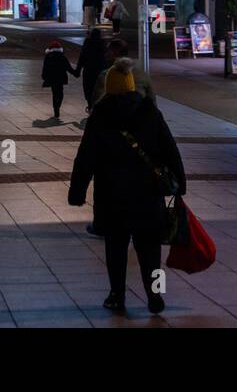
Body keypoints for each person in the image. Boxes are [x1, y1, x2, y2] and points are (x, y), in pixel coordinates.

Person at [68, 57, 186, 315]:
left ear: (109, 87)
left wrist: (77, 192)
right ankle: (154, 296)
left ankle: (117, 295)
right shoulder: (150, 113)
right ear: (132, 85)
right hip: (147, 196)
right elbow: (170, 150)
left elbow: (85, 157)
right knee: (150, 251)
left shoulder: (100, 117)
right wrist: (180, 182)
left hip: (113, 196)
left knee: (116, 249)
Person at [41, 39, 76, 118]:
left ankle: (56, 109)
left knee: (54, 93)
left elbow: (45, 68)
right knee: (60, 93)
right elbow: (68, 68)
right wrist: (76, 74)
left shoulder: (48, 57)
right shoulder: (62, 57)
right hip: (61, 78)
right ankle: (58, 105)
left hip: (52, 78)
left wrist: (44, 76)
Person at [74, 27, 107, 112]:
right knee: (99, 88)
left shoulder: (87, 42)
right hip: (100, 70)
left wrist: (78, 70)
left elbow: (82, 57)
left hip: (88, 70)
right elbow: (106, 58)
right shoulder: (103, 43)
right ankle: (97, 106)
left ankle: (90, 105)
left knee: (88, 88)